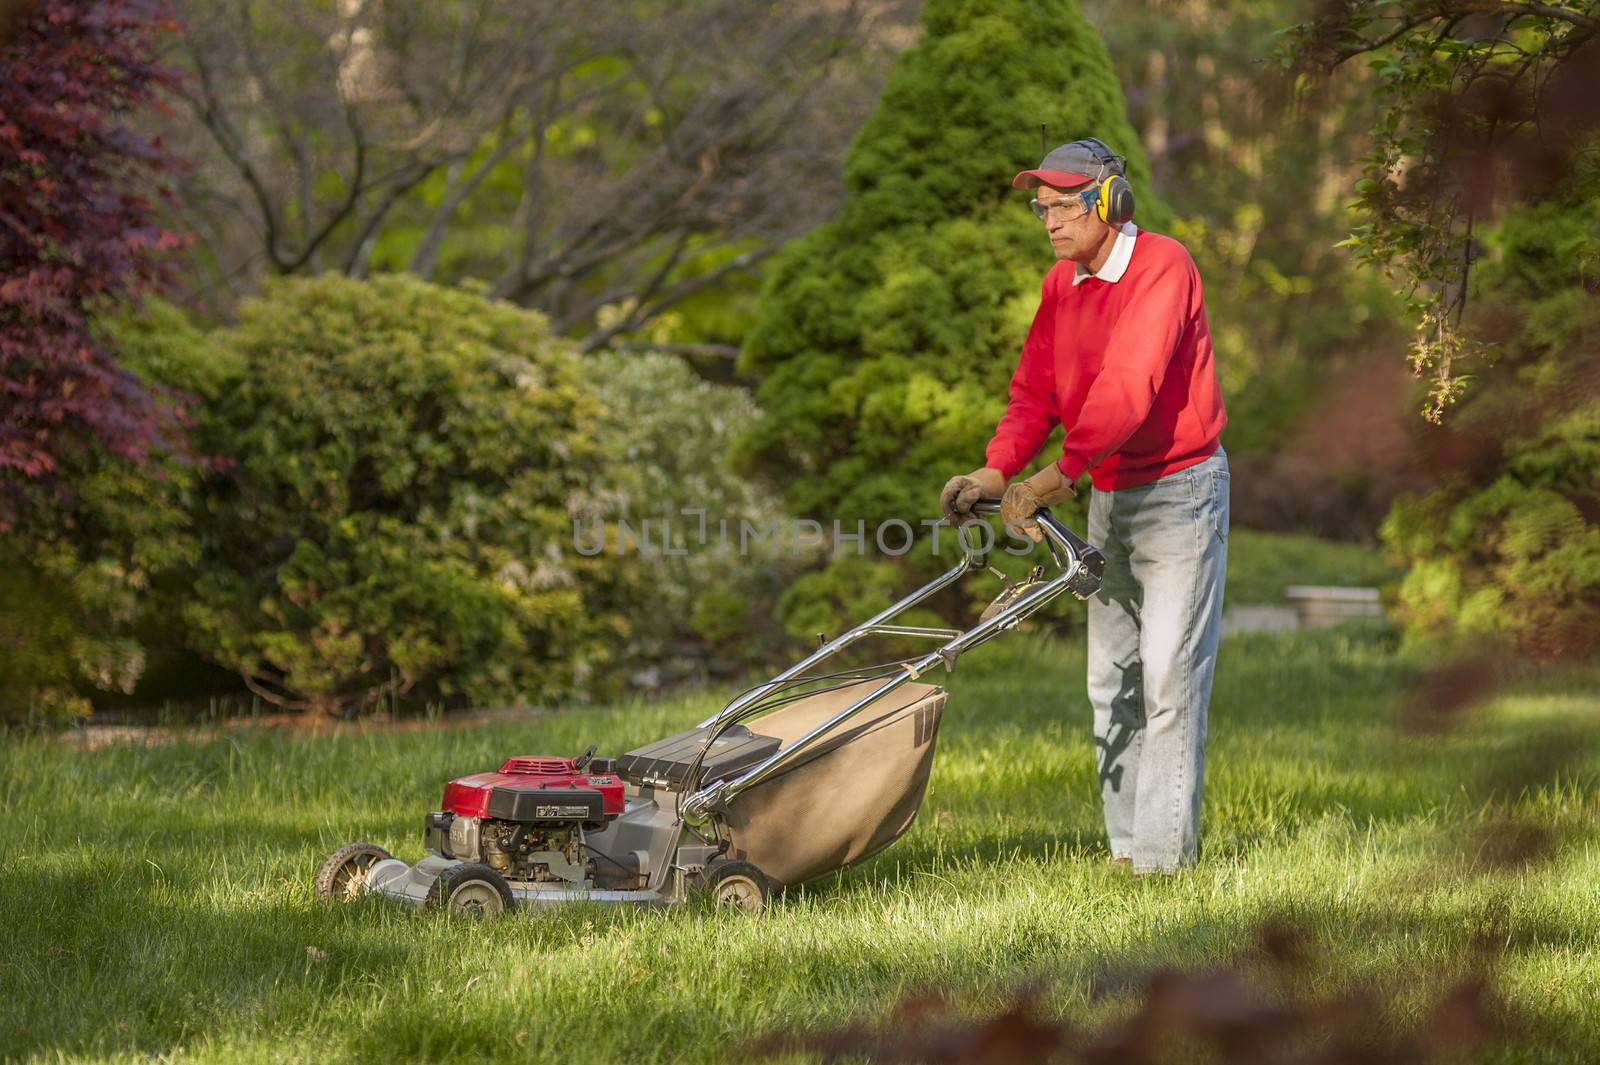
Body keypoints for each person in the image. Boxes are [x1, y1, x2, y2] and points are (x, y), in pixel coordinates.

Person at [939, 137, 1229, 874]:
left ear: (1112, 203)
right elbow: (1035, 391)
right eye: (1043, 206)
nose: (1050, 219)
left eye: (1066, 204)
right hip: (1108, 496)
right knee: (1111, 680)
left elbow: (1128, 389)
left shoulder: (1163, 266)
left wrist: (1056, 476)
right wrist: (998, 468)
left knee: (1168, 676)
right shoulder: (1061, 285)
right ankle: (1128, 852)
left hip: (1177, 491)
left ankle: (1165, 865)